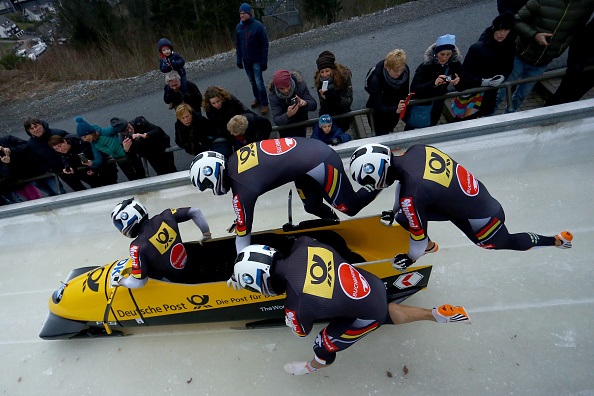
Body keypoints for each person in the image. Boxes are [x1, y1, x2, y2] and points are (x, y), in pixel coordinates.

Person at [228, 238, 471, 375]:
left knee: (322, 343)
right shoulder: (304, 245)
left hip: (365, 311)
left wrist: (291, 315)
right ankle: (436, 315)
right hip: (371, 284)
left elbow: (300, 331)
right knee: (380, 310)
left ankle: (312, 367)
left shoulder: (296, 304)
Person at [349, 143, 574, 272]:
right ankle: (430, 245)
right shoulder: (417, 150)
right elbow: (406, 185)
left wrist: (411, 258)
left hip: (484, 219)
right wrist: (398, 209)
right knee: (403, 216)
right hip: (469, 198)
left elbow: (416, 234)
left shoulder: (412, 193)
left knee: (497, 243)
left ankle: (556, 240)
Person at [188, 137, 380, 252]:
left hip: (320, 161)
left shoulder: (242, 187)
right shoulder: (235, 159)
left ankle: (381, 179)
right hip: (305, 162)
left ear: (211, 175)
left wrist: (241, 264)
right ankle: (335, 225)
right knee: (311, 206)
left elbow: (243, 234)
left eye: (206, 185)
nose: (210, 189)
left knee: (350, 207)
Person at [493, 0, 594, 114]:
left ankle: (510, 117)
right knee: (500, 93)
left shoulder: (586, 5)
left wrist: (559, 49)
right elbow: (516, 20)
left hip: (542, 63)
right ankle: (488, 117)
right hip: (519, 56)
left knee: (521, 96)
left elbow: (577, 30)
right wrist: (534, 35)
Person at [110, 198, 212, 289]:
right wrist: (206, 234)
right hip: (189, 265)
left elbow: (139, 283)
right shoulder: (167, 215)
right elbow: (195, 212)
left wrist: (120, 281)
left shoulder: (137, 246)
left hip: (172, 284)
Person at [454, 12, 516, 119]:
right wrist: (481, 81)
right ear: (493, 29)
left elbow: (509, 66)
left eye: (506, 30)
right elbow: (464, 72)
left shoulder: (510, 46)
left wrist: (503, 77)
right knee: (465, 118)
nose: (502, 34)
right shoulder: (477, 48)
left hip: (490, 93)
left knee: (482, 115)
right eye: (499, 30)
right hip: (473, 91)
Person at [406, 34, 463, 129]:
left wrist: (459, 82)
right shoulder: (425, 67)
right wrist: (433, 84)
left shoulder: (455, 64)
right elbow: (415, 88)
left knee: (431, 126)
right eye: (442, 54)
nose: (445, 58)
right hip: (421, 106)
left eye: (448, 54)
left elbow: (463, 83)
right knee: (411, 127)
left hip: (436, 107)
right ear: (436, 53)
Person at [75, 116, 146, 181]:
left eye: (85, 137)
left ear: (90, 133)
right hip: (121, 161)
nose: (84, 140)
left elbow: (121, 128)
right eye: (82, 138)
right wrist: (91, 163)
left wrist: (129, 139)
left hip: (131, 155)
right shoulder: (94, 144)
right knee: (132, 179)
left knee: (142, 176)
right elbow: (99, 159)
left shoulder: (105, 132)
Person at [23, 117, 81, 195]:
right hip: (62, 172)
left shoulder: (57, 132)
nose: (35, 130)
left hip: (78, 165)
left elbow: (75, 140)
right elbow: (38, 160)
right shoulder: (31, 145)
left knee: (95, 184)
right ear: (29, 131)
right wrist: (50, 169)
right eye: (31, 128)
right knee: (79, 190)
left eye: (36, 126)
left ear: (42, 124)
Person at [546, 18, 594, 107]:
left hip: (585, 69)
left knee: (570, 97)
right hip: (580, 68)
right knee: (562, 96)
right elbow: (579, 41)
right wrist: (576, 65)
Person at [110, 116, 177, 175]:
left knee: (172, 169)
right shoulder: (123, 141)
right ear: (121, 133)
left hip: (161, 147)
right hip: (150, 155)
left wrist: (145, 135)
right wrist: (127, 151)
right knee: (162, 173)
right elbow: (135, 161)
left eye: (129, 127)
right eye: (126, 132)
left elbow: (159, 131)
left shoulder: (139, 122)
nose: (130, 131)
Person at [365, 49, 410, 135]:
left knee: (390, 127)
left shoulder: (405, 71)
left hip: (395, 110)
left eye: (401, 69)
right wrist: (395, 109)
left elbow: (405, 91)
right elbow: (377, 106)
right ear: (387, 68)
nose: (399, 73)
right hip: (379, 116)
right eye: (395, 70)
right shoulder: (376, 80)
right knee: (380, 133)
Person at [235, 3, 270, 115]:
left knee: (259, 82)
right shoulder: (239, 27)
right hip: (246, 61)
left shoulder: (257, 26)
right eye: (240, 13)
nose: (242, 15)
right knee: (252, 82)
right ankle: (257, 99)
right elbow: (238, 45)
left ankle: (264, 104)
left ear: (249, 14)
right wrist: (239, 59)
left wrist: (264, 61)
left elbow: (265, 44)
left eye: (244, 13)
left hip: (257, 60)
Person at [48, 134, 118, 189]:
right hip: (87, 172)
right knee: (97, 186)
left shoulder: (82, 144)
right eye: (56, 149)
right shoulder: (62, 153)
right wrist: (68, 167)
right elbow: (65, 159)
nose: (60, 149)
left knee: (110, 183)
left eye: (60, 146)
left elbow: (97, 156)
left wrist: (94, 169)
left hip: (104, 167)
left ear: (65, 141)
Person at [268, 69, 317, 138]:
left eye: (287, 86)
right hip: (285, 130)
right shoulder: (273, 96)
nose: (286, 90)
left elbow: (314, 105)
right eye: (281, 89)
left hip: (301, 125)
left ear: (290, 82)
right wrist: (287, 115)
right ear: (277, 87)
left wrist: (305, 103)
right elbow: (276, 119)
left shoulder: (300, 86)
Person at [314, 50, 353, 132]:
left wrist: (334, 97)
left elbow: (348, 102)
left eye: (327, 71)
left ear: (332, 69)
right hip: (329, 117)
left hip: (343, 115)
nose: (324, 75)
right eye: (322, 72)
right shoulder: (319, 81)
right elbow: (323, 108)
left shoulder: (343, 77)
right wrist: (325, 100)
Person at [0, 135, 43, 204]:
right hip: (12, 182)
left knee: (35, 197)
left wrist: (10, 150)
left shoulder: (6, 139)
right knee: (25, 200)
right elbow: (5, 173)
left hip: (23, 176)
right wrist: (6, 163)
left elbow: (26, 146)